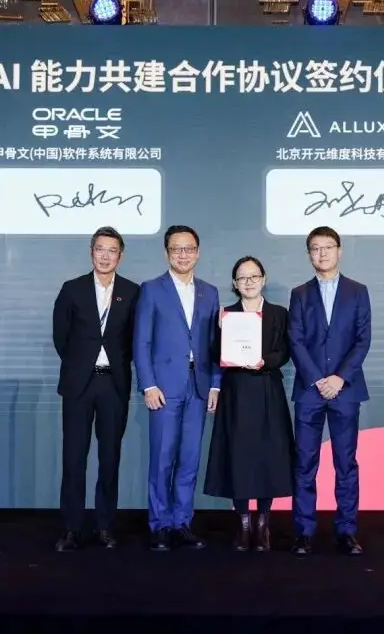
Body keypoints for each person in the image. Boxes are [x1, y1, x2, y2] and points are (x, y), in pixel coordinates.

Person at [134, 225, 222, 551]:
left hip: (199, 387)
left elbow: (215, 344)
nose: (183, 255)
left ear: (197, 252)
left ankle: (181, 523)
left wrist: (215, 385)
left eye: (189, 249)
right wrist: (148, 384)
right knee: (162, 459)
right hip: (164, 388)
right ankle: (159, 524)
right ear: (167, 252)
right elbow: (141, 341)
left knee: (189, 459)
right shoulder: (151, 289)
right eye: (176, 249)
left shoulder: (210, 292)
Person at [51, 227, 139, 551]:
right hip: (79, 384)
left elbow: (134, 340)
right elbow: (61, 337)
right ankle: (72, 529)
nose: (105, 256)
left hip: (113, 384)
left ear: (120, 256)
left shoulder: (132, 292)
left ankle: (105, 526)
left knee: (110, 458)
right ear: (91, 252)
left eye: (112, 250)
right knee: (74, 459)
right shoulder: (72, 289)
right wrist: (81, 364)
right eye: (100, 249)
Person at [287, 226, 371, 556]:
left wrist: (339, 378)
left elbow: (363, 339)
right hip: (310, 391)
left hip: (345, 390)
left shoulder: (358, 291)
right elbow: (295, 340)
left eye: (328, 247)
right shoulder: (299, 293)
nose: (322, 253)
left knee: (345, 463)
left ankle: (347, 531)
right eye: (315, 248)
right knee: (304, 463)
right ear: (309, 254)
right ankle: (303, 532)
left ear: (339, 250)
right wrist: (317, 379)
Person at [204, 256, 294, 552]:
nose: (249, 282)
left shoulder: (279, 313)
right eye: (242, 278)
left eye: (254, 276)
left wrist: (264, 361)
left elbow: (285, 351)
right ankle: (243, 524)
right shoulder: (226, 314)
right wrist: (220, 330)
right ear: (235, 283)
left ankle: (263, 523)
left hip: (267, 388)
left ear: (263, 279)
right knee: (238, 456)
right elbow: (215, 354)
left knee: (268, 456)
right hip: (236, 391)